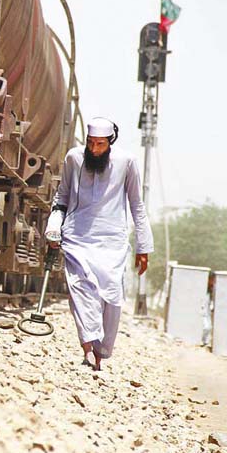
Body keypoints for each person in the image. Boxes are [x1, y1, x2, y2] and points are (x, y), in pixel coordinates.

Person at [45, 117, 153, 370]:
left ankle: (102, 350)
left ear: (110, 142)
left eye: (100, 145)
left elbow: (137, 205)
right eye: (91, 143)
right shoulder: (74, 158)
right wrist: (54, 226)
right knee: (80, 292)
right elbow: (61, 197)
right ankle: (88, 347)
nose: (94, 149)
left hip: (112, 241)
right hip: (77, 236)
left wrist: (143, 247)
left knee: (111, 296)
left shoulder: (127, 162)